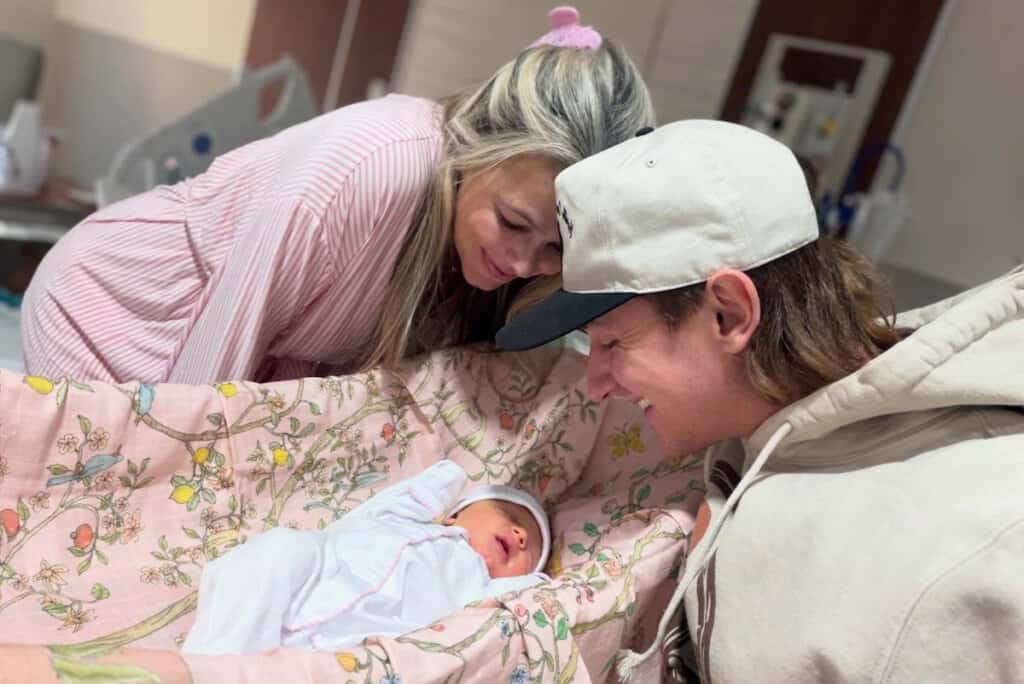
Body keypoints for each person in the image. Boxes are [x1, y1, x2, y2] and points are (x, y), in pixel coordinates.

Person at [497, 120, 1024, 682]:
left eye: (613, 342)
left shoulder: (953, 570)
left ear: (729, 314)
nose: (597, 384)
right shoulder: (767, 421)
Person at [22, 6, 654, 384]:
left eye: (553, 249)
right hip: (123, 309)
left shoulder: (499, 259)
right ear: (479, 145)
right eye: (513, 223)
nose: (520, 263)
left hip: (255, 358)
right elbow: (197, 400)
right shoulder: (374, 169)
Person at [182, 459, 551, 655]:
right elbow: (413, 492)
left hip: (355, 636)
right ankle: (210, 665)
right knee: (277, 549)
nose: (520, 536)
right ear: (455, 514)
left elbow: (530, 596)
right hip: (314, 575)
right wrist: (450, 478)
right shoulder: (401, 519)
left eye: (531, 550)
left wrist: (536, 581)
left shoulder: (478, 592)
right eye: (511, 517)